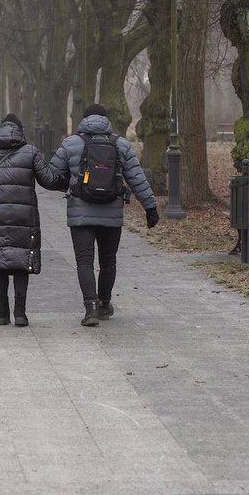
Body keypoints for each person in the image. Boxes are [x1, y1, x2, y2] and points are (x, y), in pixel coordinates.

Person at [50, 103, 159, 327]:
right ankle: (104, 304)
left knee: (84, 261)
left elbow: (52, 175)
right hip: (112, 213)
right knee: (108, 261)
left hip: (80, 214)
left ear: (84, 120)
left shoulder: (71, 143)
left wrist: (68, 184)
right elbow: (136, 177)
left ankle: (90, 307)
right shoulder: (121, 144)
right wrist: (150, 207)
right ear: (106, 120)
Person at [0, 114, 65, 326]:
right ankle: (20, 314)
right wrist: (67, 181)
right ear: (20, 131)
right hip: (23, 215)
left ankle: (2, 314)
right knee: (21, 260)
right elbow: (49, 180)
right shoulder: (30, 152)